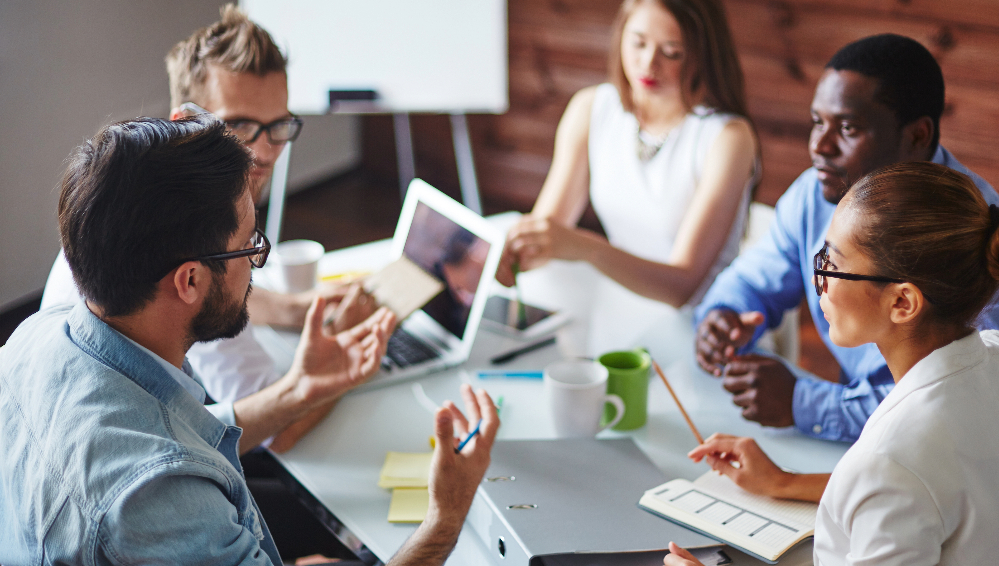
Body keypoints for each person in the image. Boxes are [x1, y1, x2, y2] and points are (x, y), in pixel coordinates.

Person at [0, 116, 499, 566]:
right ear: (189, 281)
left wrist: (301, 388)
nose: (256, 266)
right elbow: (161, 466)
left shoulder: (39, 336)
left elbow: (165, 432)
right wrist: (444, 522)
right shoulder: (159, 499)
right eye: (250, 247)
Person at [668, 162, 999, 565]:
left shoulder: (893, 459)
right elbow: (928, 494)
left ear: (902, 302)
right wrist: (784, 482)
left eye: (833, 263)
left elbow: (901, 481)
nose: (821, 281)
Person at [39, 4, 366, 452]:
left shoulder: (132, 196)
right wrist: (350, 362)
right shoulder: (190, 242)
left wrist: (295, 310)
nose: (265, 152)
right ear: (186, 122)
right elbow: (276, 433)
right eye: (240, 126)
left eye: (277, 126)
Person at [694, 34, 999, 442]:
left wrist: (804, 402)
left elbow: (959, 414)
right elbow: (754, 278)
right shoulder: (816, 193)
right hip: (881, 447)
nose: (819, 146)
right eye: (816, 122)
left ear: (916, 136)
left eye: (847, 127)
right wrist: (722, 316)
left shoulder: (980, 241)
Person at [496, 0, 759, 307]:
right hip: (623, 306)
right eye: (638, 43)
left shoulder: (728, 138)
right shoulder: (592, 108)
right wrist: (509, 255)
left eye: (672, 52)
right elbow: (548, 232)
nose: (648, 64)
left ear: (702, 55)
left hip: (708, 323)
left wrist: (587, 248)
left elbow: (682, 287)